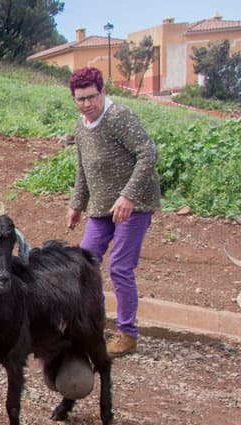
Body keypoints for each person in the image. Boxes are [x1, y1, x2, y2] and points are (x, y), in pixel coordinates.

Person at [66, 66, 160, 357]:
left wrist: (128, 196)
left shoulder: (120, 116)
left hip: (135, 204)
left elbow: (148, 153)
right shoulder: (81, 126)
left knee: (119, 266)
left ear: (103, 91)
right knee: (85, 262)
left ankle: (127, 335)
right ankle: (94, 325)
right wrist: (76, 204)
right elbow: (84, 169)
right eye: (80, 99)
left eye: (91, 97)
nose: (87, 104)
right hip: (101, 206)